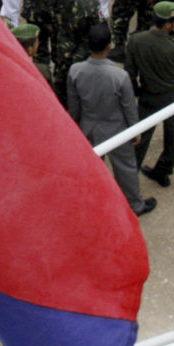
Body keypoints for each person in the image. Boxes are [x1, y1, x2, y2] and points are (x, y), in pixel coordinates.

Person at [68, 23, 156, 216]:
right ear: (109, 46)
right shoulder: (119, 75)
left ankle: (91, 204)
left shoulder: (75, 71)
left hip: (88, 128)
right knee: (126, 169)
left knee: (90, 169)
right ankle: (136, 205)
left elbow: (74, 106)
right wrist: (135, 130)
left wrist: (76, 129)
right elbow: (129, 106)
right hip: (116, 129)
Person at [129, 2, 174, 186]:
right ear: (168, 26)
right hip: (172, 96)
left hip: (148, 95)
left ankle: (129, 179)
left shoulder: (136, 40)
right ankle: (162, 171)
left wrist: (137, 92)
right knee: (173, 137)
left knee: (139, 139)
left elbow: (130, 72)